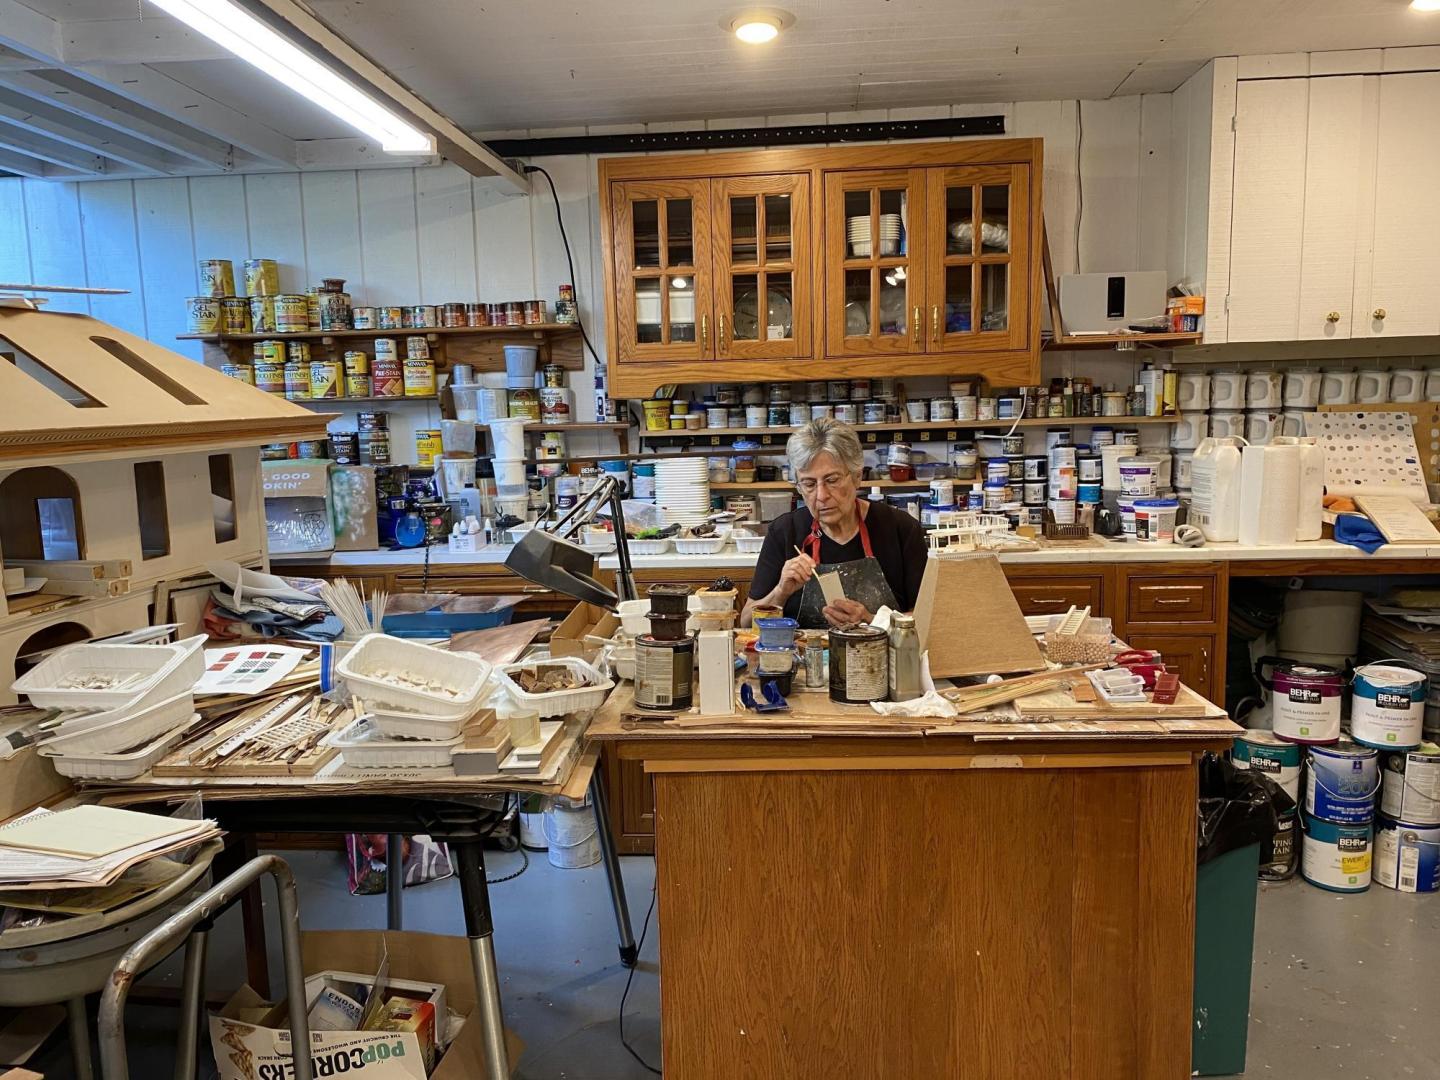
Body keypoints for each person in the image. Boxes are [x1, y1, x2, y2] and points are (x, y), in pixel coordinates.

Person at [742, 418, 928, 629]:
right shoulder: (784, 532)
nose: (821, 495)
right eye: (809, 484)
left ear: (857, 477)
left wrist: (871, 619)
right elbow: (746, 623)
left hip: (882, 658)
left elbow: (927, 620)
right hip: (804, 659)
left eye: (832, 480)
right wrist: (781, 591)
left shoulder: (901, 529)